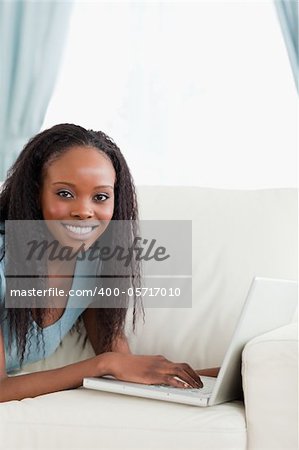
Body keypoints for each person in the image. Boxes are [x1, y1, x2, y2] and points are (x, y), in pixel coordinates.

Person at [0, 123, 218, 402]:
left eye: (100, 196)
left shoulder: (96, 262)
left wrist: (214, 377)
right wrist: (104, 364)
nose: (84, 211)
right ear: (35, 193)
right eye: (64, 193)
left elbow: (125, 366)